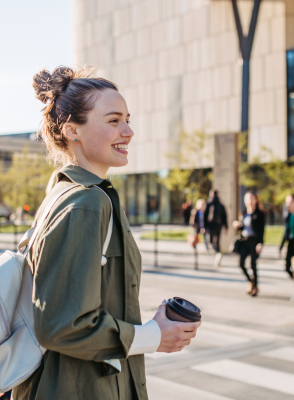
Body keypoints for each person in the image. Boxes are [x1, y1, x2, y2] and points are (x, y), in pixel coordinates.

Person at [12, 66, 200, 400]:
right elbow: (62, 324)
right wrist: (153, 336)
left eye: (127, 119)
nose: (128, 131)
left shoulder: (64, 192)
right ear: (73, 131)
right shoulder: (87, 202)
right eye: (113, 121)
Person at [232, 192, 265, 297]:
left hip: (254, 241)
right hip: (245, 241)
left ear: (255, 200)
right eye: (247, 199)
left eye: (251, 199)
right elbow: (244, 227)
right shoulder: (244, 213)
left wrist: (260, 243)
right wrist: (238, 226)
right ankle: (251, 281)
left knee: (253, 264)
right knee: (241, 263)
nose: (249, 201)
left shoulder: (259, 214)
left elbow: (262, 230)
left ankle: (255, 287)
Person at [205, 189, 228, 266]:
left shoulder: (209, 204)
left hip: (211, 225)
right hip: (219, 225)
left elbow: (205, 216)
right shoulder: (220, 205)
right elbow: (225, 216)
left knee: (211, 241)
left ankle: (217, 253)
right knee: (217, 241)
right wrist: (226, 227)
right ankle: (218, 253)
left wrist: (204, 226)